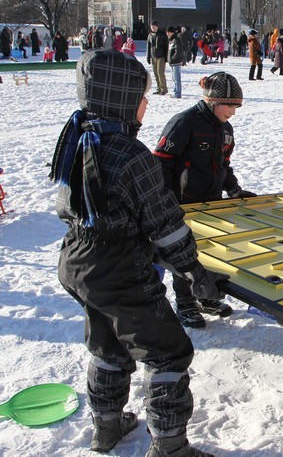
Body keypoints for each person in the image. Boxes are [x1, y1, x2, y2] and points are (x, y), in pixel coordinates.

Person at [50, 48, 226, 456]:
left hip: (78, 264)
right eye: (142, 96)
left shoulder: (77, 136)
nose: (148, 103)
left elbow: (65, 207)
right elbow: (166, 226)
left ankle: (107, 427)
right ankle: (170, 448)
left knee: (109, 344)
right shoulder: (131, 155)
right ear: (123, 100)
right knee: (167, 353)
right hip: (119, 272)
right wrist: (194, 273)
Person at [154, 72, 254, 328]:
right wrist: (167, 200)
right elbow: (162, 163)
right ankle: (185, 303)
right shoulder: (184, 123)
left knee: (209, 250)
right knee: (183, 254)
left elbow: (223, 165)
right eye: (230, 106)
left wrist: (234, 190)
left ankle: (206, 295)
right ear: (213, 101)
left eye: (237, 107)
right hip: (183, 203)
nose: (233, 112)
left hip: (212, 202)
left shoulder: (225, 129)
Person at [147, 21, 168, 95]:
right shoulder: (150, 35)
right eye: (151, 27)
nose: (153, 28)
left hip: (161, 56)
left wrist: (166, 57)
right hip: (153, 56)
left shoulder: (162, 34)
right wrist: (148, 57)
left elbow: (166, 46)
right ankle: (159, 88)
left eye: (154, 27)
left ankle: (164, 89)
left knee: (160, 73)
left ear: (157, 27)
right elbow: (148, 46)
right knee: (156, 73)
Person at [166, 26, 184, 99]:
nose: (167, 33)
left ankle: (178, 93)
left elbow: (178, 51)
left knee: (177, 77)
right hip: (173, 62)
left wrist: (172, 59)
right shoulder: (172, 40)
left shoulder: (176, 39)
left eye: (168, 32)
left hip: (176, 61)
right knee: (174, 77)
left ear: (171, 32)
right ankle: (175, 90)